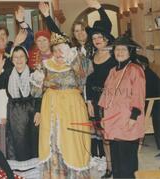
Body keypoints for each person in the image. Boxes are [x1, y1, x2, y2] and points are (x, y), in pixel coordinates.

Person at [39, 32, 90, 178]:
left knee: (73, 140)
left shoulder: (77, 61)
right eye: (55, 50)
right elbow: (36, 90)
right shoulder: (45, 65)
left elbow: (83, 81)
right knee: (53, 139)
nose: (59, 53)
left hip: (72, 106)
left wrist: (75, 64)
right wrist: (42, 83)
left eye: (62, 49)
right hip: (51, 107)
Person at [98, 35, 146, 178]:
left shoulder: (135, 70)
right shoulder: (112, 71)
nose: (119, 52)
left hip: (128, 120)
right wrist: (102, 117)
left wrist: (133, 118)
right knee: (117, 160)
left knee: (127, 162)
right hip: (112, 121)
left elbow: (139, 95)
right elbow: (106, 95)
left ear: (130, 51)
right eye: (117, 49)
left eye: (123, 49)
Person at [0, 46, 41, 175]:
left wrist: (38, 111)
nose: (19, 59)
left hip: (30, 112)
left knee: (32, 140)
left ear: (26, 58)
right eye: (16, 57)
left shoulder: (33, 73)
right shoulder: (8, 72)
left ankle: (34, 172)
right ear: (12, 60)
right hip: (14, 112)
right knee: (15, 142)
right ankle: (19, 172)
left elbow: (39, 95)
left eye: (21, 56)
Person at [85, 0, 116, 175]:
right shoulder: (92, 56)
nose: (96, 40)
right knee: (104, 137)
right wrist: (89, 101)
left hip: (113, 100)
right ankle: (110, 167)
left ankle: (119, 165)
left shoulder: (115, 55)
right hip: (97, 101)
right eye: (94, 37)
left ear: (106, 39)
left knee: (115, 135)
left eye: (99, 37)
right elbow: (89, 81)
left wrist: (99, 8)